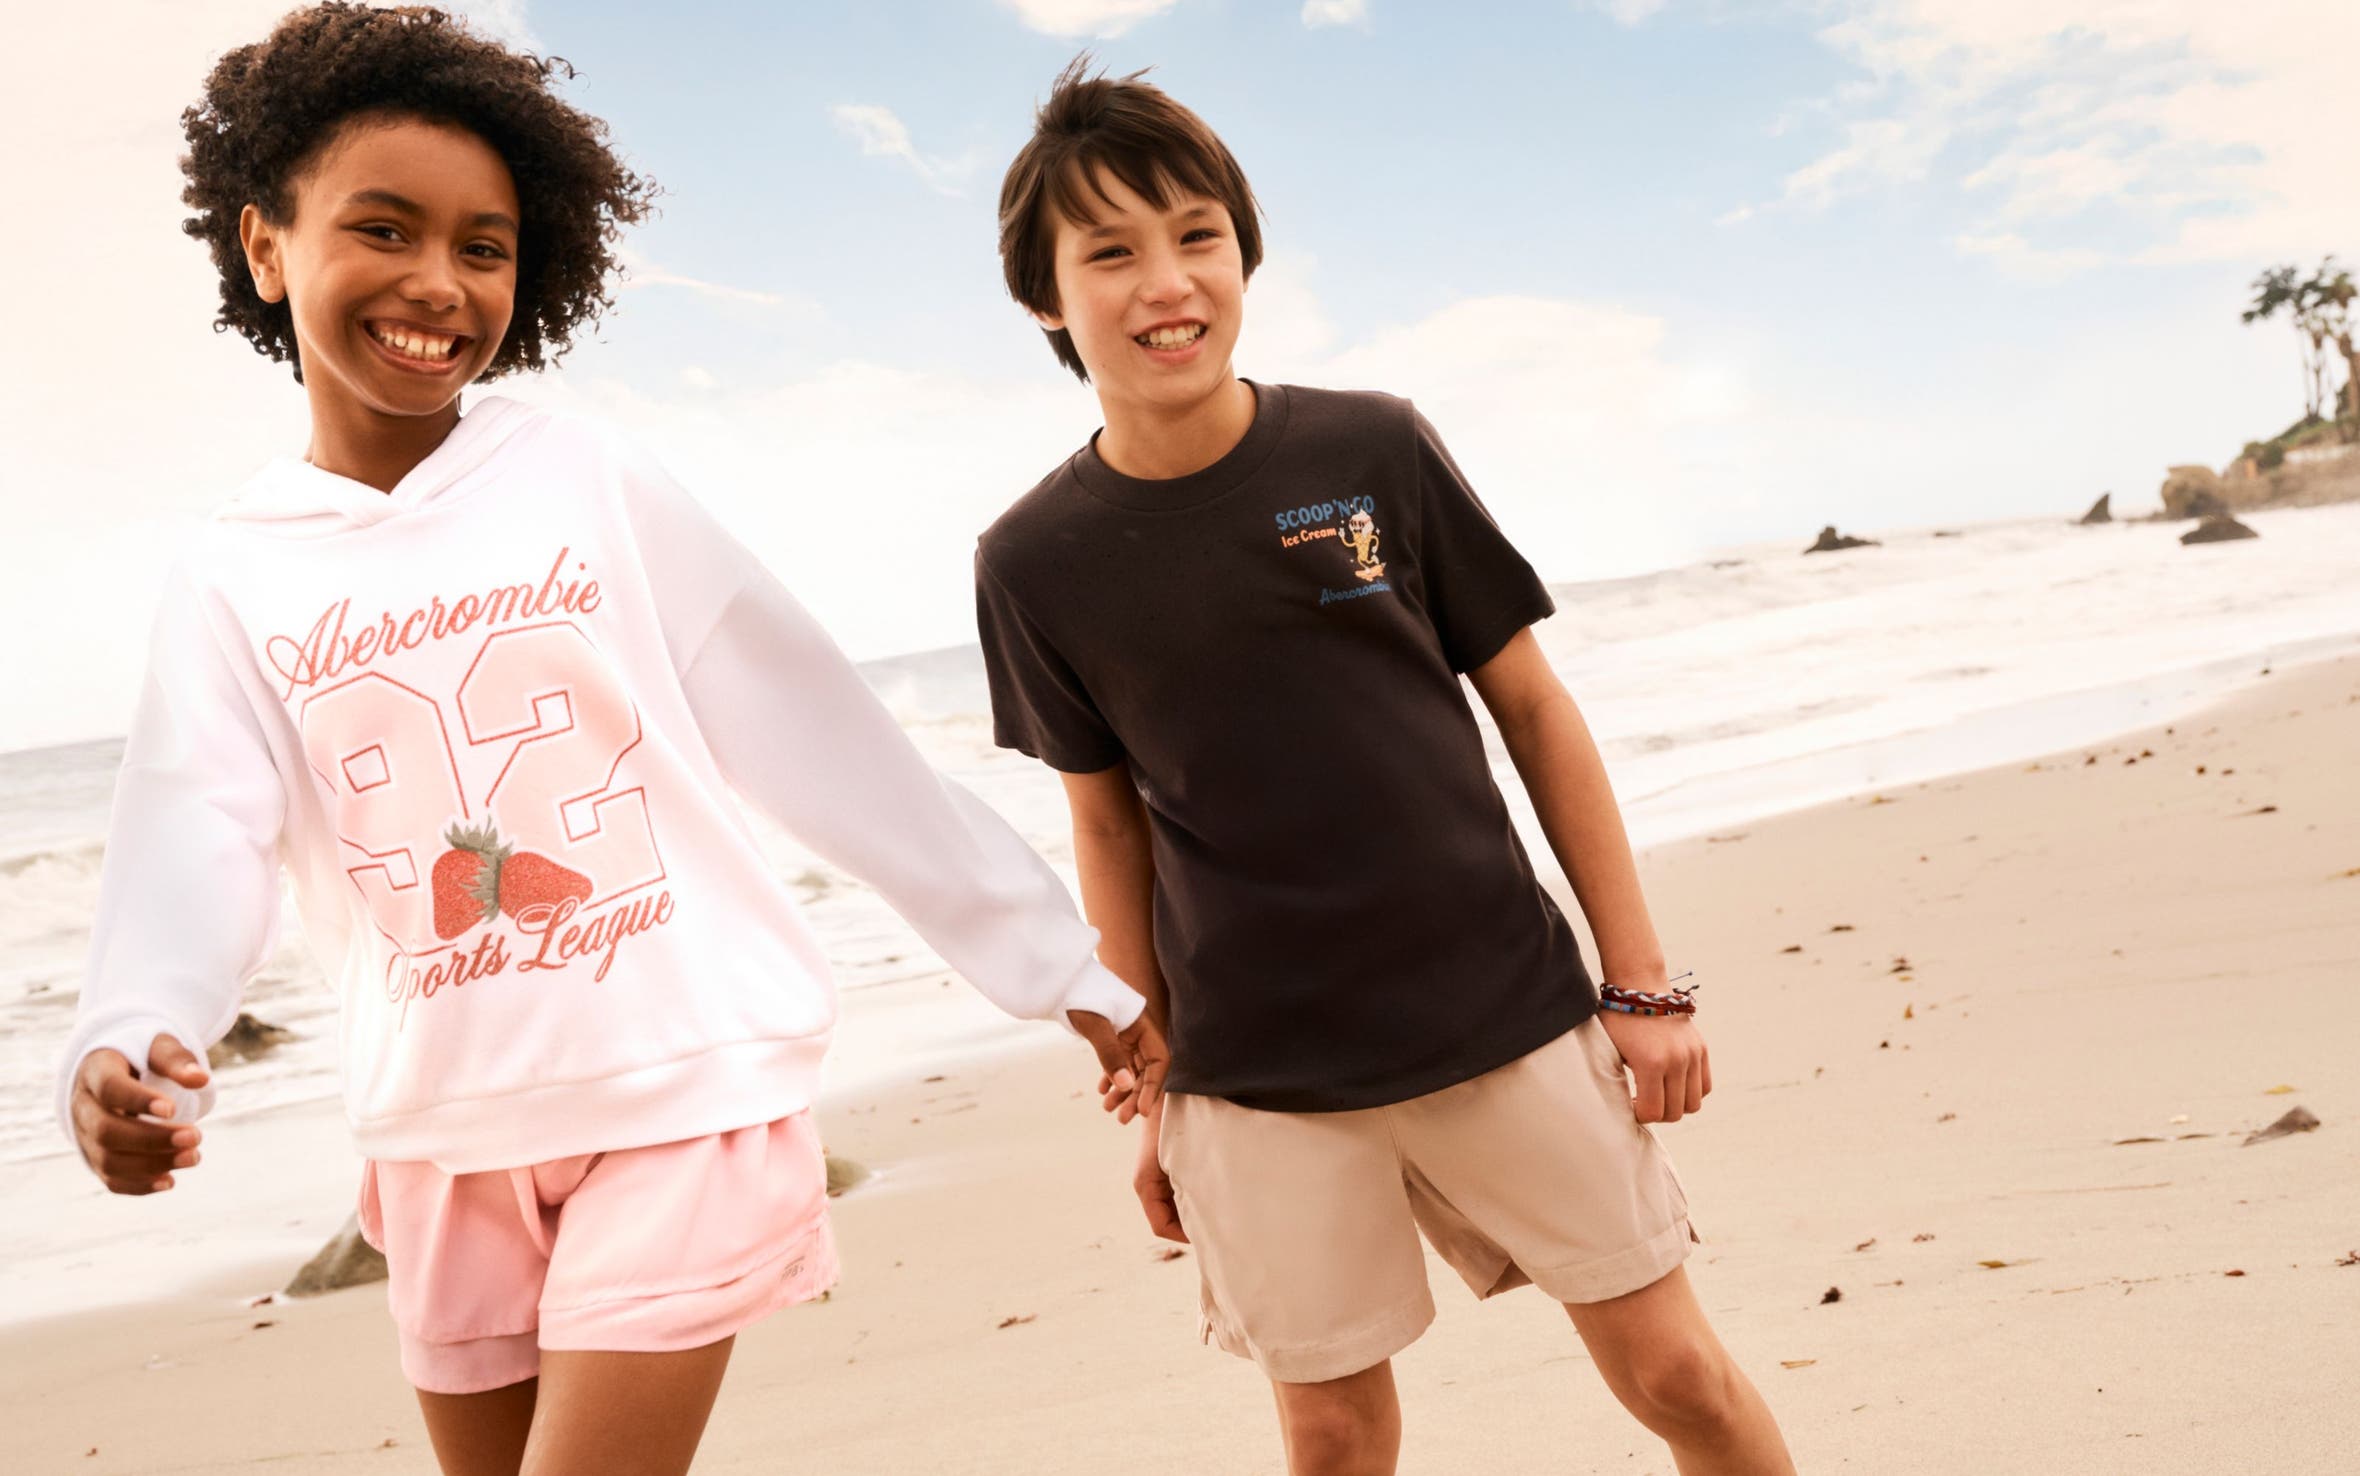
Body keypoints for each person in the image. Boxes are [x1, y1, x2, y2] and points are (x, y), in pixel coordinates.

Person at [58, 10, 1160, 1474]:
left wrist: (1056, 965)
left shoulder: (586, 478)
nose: (438, 282)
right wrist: (132, 1033)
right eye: (383, 229)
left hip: (682, 1090)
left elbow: (823, 737)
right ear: (267, 246)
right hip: (439, 1138)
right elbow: (193, 831)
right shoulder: (233, 572)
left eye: (485, 247)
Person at [975, 61, 1795, 1475]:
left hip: (1502, 1007)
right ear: (1046, 297)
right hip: (1255, 1071)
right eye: (1109, 252)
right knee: (1335, 1439)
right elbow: (1108, 831)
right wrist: (1148, 1076)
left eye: (1197, 235)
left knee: (1678, 1379)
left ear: (1243, 253)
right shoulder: (1032, 560)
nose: (1167, 283)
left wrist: (1643, 985)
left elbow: (1535, 713)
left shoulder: (1372, 446)